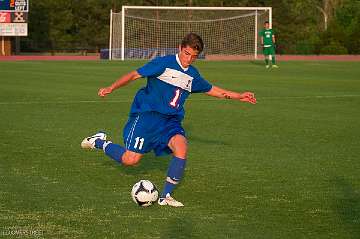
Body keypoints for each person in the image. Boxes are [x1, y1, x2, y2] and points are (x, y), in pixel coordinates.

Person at [81, 33, 256, 207]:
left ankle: (165, 196)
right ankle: (100, 142)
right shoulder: (163, 63)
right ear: (180, 48)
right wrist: (111, 87)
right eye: (187, 54)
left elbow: (212, 90)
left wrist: (239, 96)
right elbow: (134, 75)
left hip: (170, 121)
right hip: (147, 116)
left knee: (181, 147)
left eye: (194, 56)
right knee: (130, 160)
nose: (189, 59)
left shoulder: (193, 75)